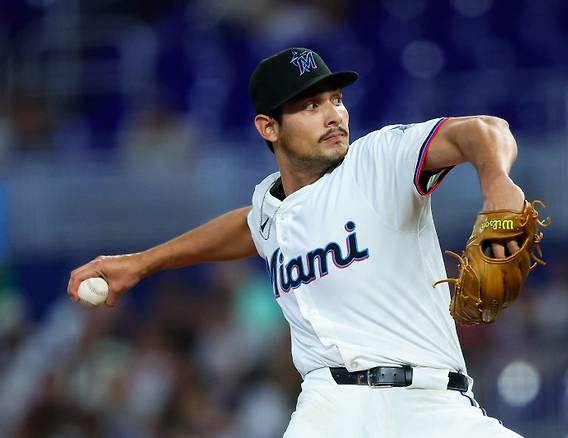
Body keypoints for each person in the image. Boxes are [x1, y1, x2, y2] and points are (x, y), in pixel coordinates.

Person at [68, 47, 527, 437]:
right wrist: (141, 263)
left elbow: (486, 131)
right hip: (333, 409)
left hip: (435, 406)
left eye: (336, 99)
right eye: (310, 106)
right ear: (269, 127)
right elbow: (247, 226)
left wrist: (496, 182)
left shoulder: (377, 162)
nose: (333, 115)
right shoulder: (269, 209)